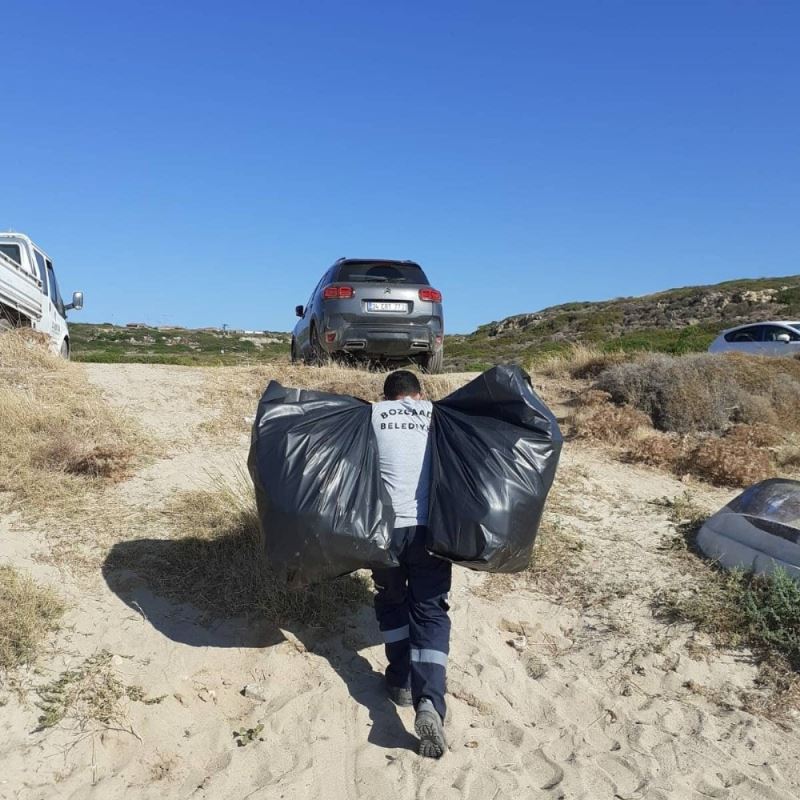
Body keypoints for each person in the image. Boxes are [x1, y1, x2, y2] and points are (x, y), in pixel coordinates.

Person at [370, 369, 451, 759]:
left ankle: (400, 682)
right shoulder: (437, 414)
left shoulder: (370, 415)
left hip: (382, 531)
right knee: (430, 611)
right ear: (419, 394)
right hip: (428, 532)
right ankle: (429, 700)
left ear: (386, 397)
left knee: (391, 600)